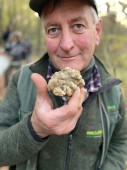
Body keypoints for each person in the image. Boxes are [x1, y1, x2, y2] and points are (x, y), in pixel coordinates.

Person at [0, 0, 127, 170]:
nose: (66, 45)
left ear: (97, 31)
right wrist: (35, 128)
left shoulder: (113, 92)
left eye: (78, 26)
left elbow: (120, 142)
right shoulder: (22, 80)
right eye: (53, 30)